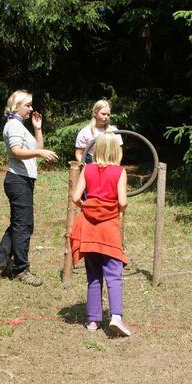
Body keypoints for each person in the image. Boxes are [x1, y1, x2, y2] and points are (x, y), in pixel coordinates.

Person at [0, 90, 58, 286]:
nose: (31, 108)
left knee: (18, 224)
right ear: (16, 106)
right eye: (27, 105)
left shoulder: (19, 126)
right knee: (24, 226)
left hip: (22, 180)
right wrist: (40, 153)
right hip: (18, 180)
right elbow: (17, 151)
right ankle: (21, 270)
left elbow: (36, 148)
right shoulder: (13, 125)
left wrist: (38, 129)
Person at [69, 132, 130, 337]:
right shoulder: (119, 172)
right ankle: (116, 317)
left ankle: (93, 321)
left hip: (89, 230)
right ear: (115, 151)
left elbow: (76, 197)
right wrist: (117, 209)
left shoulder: (87, 169)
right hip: (108, 231)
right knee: (114, 274)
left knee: (93, 276)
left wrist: (87, 206)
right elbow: (122, 202)